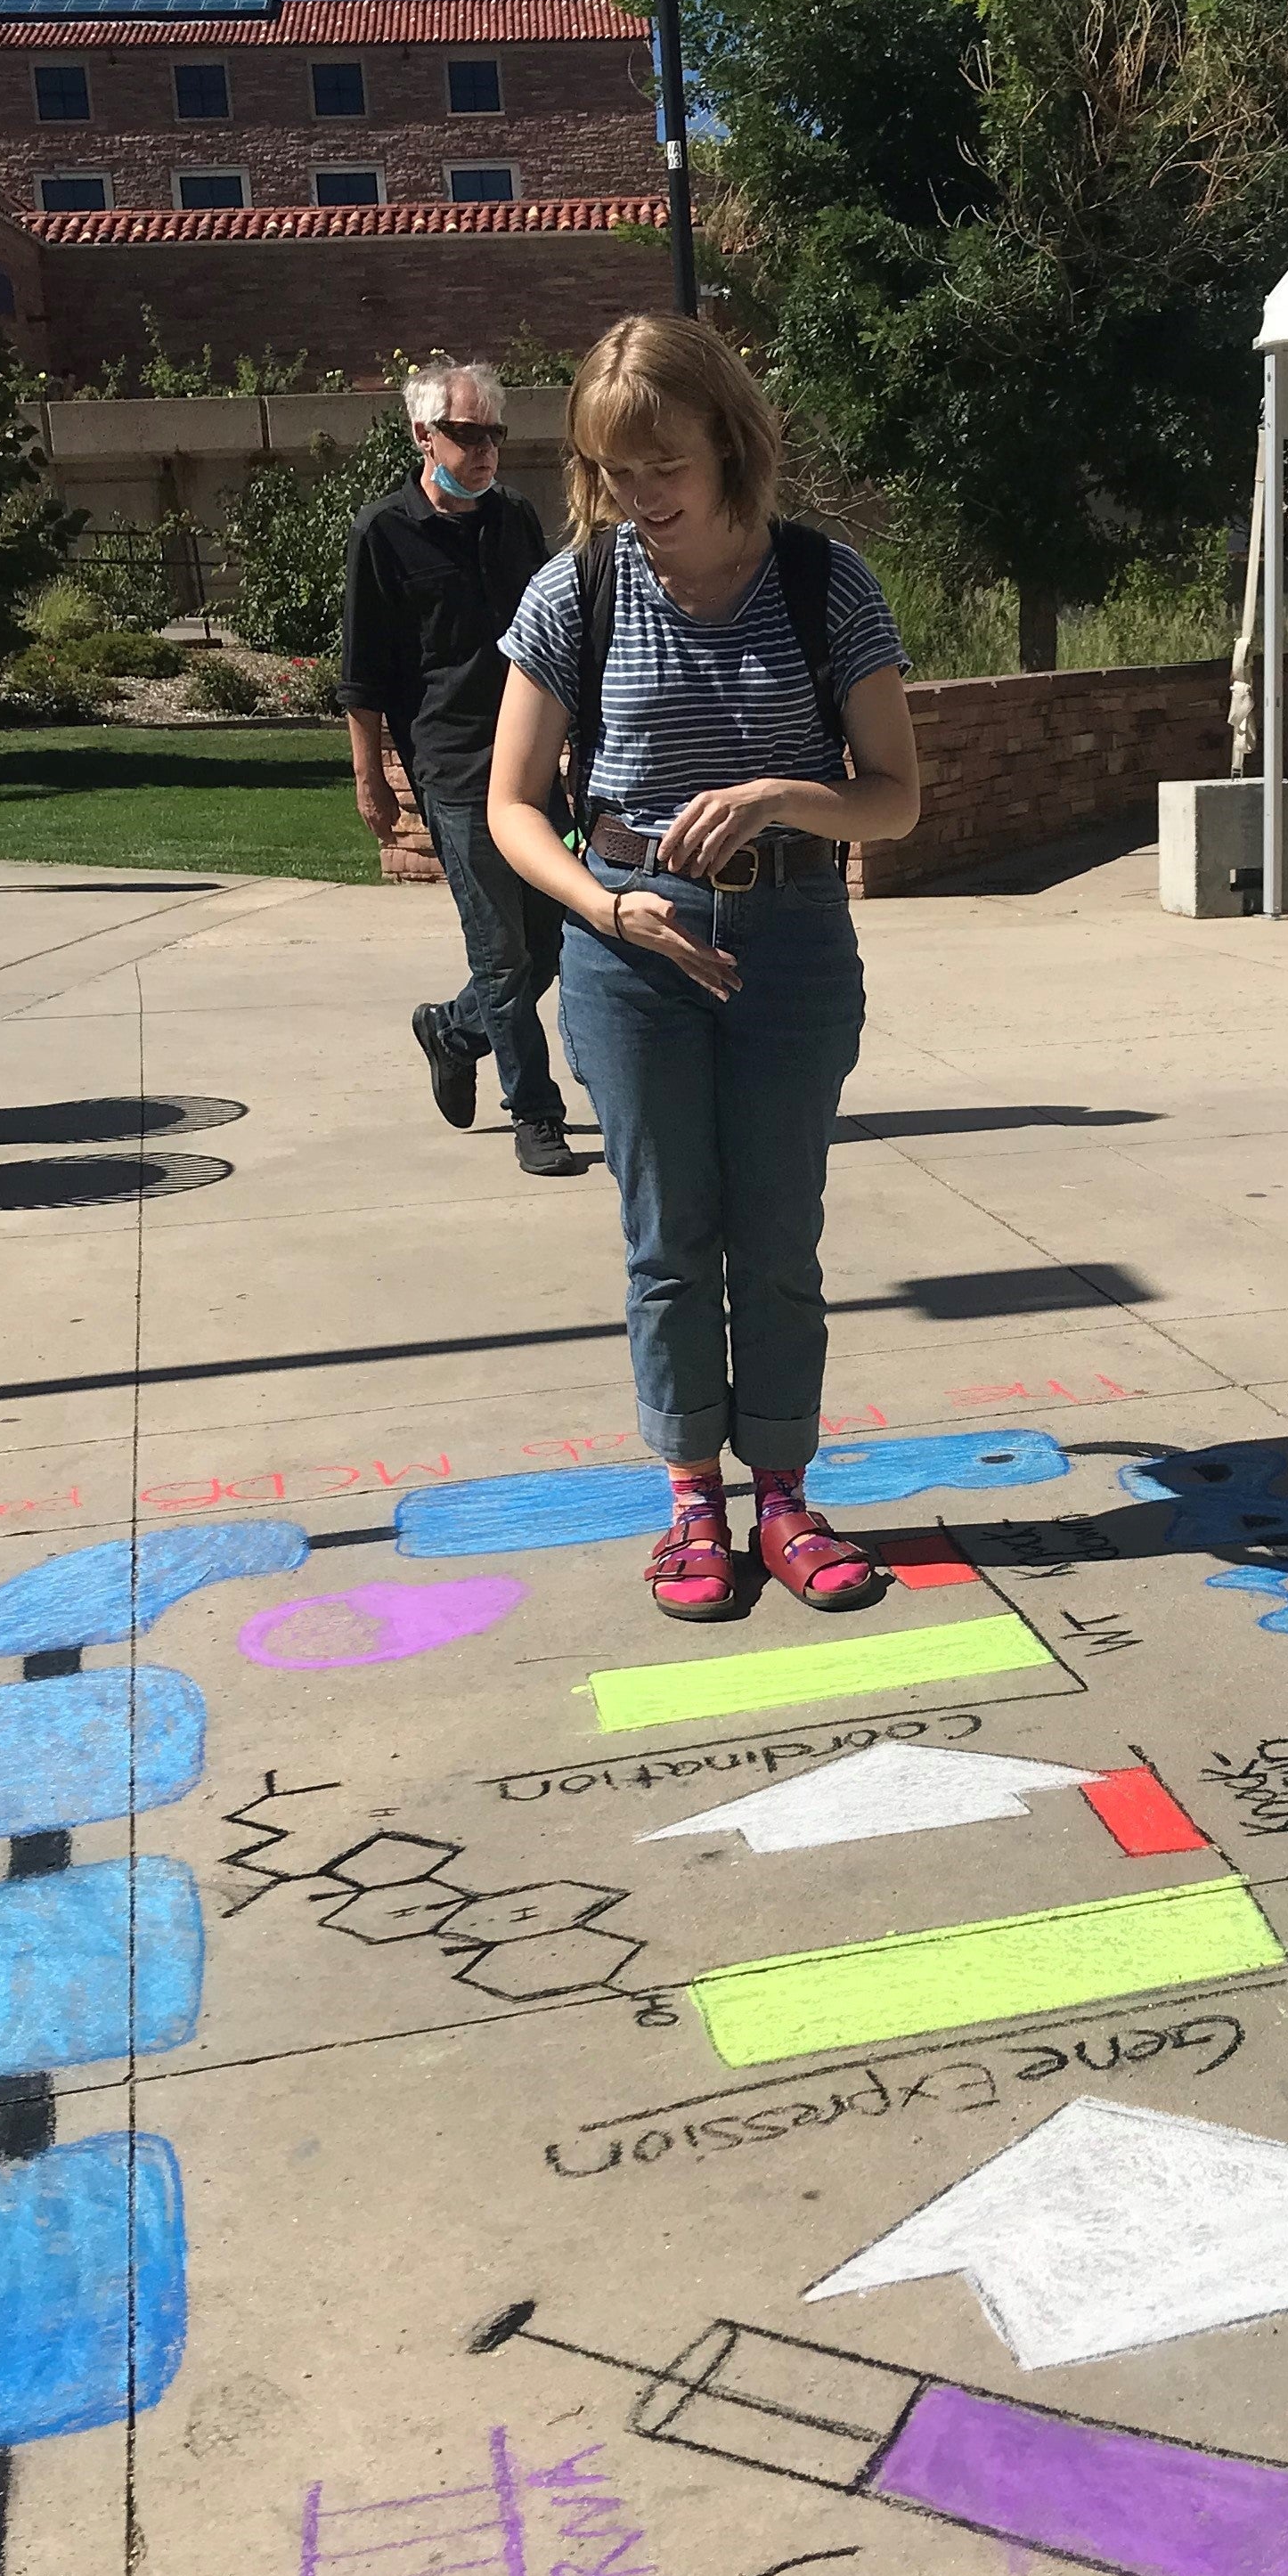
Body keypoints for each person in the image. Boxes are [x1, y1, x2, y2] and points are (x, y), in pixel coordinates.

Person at [489, 314, 920, 1623]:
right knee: (669, 1240)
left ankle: (784, 1493)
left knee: (779, 1234)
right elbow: (512, 807)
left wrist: (794, 793)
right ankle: (693, 1502)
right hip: (630, 952)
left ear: (732, 445)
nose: (638, 499)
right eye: (613, 472)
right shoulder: (581, 590)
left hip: (789, 945)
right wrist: (608, 911)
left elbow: (894, 799)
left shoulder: (823, 584)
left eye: (662, 467)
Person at [340, 356, 587, 1178]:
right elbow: (364, 675)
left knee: (556, 937)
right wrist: (371, 779)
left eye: (496, 435)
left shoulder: (514, 520)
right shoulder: (384, 533)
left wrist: (579, 741)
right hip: (451, 768)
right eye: (468, 434)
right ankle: (537, 1114)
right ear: (424, 435)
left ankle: (452, 1031)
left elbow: (556, 641)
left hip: (531, 760)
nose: (486, 451)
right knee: (502, 952)